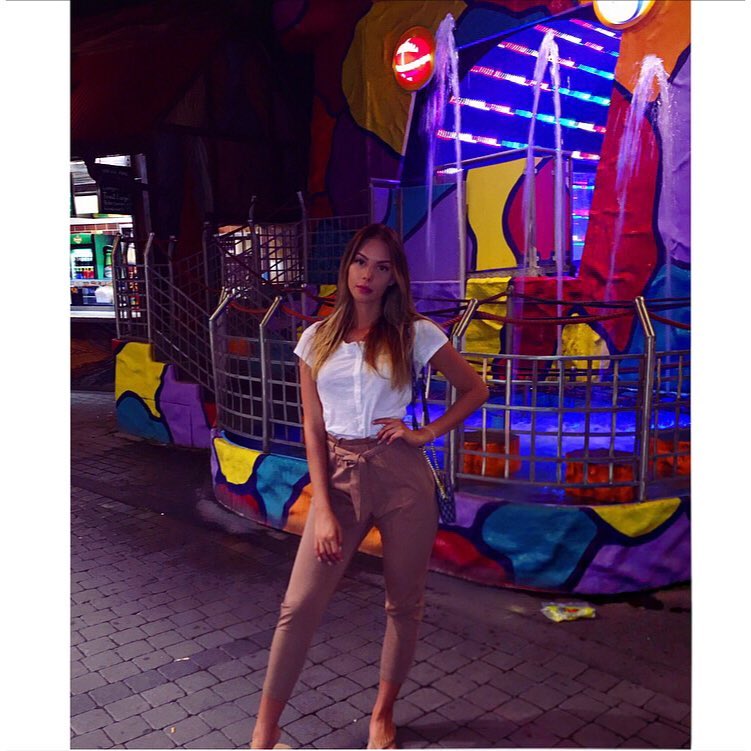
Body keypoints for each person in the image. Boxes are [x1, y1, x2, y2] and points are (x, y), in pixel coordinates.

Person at [250, 223, 489, 749]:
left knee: (403, 603)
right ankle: (264, 734)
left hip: (401, 476)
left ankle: (383, 714)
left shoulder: (414, 333)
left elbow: (475, 389)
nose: (368, 275)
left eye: (382, 267)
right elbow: (313, 426)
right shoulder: (316, 338)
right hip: (338, 477)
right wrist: (323, 507)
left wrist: (424, 433)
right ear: (347, 266)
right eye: (361, 262)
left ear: (394, 277)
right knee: (298, 606)